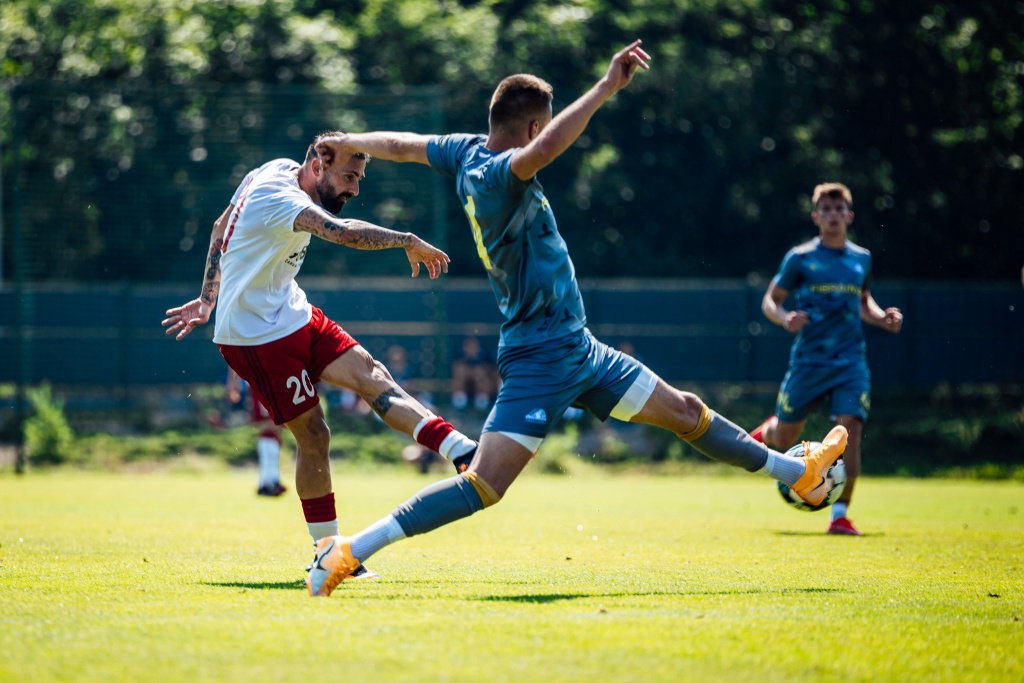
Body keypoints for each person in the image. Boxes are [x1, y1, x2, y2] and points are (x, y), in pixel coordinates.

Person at [304, 39, 849, 598]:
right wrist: (607, 87)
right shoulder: (496, 174)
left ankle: (799, 473)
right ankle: (347, 553)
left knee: (686, 411)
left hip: (580, 350)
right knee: (485, 485)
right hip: (540, 357)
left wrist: (350, 141)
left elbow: (404, 144)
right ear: (533, 125)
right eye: (542, 128)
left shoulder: (465, 150)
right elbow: (545, 150)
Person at [161, 134, 478, 584]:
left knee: (372, 374)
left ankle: (462, 451)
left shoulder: (275, 166)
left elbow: (219, 227)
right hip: (254, 336)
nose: (355, 188)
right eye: (349, 177)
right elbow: (343, 233)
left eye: (359, 178)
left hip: (292, 312)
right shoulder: (279, 194)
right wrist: (406, 238)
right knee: (315, 435)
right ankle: (327, 553)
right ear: (318, 165)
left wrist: (206, 297)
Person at [750, 182, 904, 536]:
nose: (833, 216)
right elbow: (770, 300)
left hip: (850, 362)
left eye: (839, 210)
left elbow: (863, 302)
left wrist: (882, 318)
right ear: (815, 216)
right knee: (789, 431)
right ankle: (769, 430)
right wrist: (784, 317)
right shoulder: (801, 258)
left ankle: (840, 515)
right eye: (826, 210)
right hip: (809, 362)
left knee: (849, 430)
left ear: (848, 216)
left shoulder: (860, 258)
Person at [225, 367, 286, 497]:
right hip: (262, 379)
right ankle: (268, 482)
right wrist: (233, 382)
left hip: (275, 378)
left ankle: (270, 480)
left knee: (277, 429)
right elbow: (234, 350)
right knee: (270, 425)